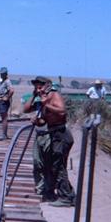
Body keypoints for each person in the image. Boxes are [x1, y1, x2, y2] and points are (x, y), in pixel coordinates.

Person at [22, 76, 76, 207]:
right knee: (55, 166)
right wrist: (35, 97)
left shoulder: (53, 95)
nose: (37, 87)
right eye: (35, 85)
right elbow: (27, 109)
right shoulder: (43, 99)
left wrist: (46, 103)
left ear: (47, 85)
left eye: (40, 85)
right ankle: (69, 194)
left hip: (61, 134)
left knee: (58, 166)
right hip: (54, 134)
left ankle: (66, 198)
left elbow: (62, 111)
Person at [0, 67, 14, 141]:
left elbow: (12, 90)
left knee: (4, 118)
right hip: (0, 101)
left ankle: (4, 135)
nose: (1, 75)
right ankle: (4, 134)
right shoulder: (3, 81)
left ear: (5, 74)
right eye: (0, 73)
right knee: (3, 118)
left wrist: (7, 97)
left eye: (2, 74)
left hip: (3, 102)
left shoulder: (7, 81)